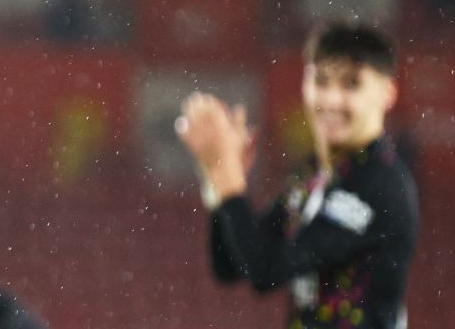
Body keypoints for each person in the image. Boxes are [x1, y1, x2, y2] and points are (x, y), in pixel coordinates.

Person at [176, 23, 419, 328]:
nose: (331, 99)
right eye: (321, 81)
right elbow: (231, 265)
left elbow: (267, 271)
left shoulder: (378, 184)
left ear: (387, 93)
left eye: (351, 85)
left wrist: (228, 179)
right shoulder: (314, 175)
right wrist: (217, 180)